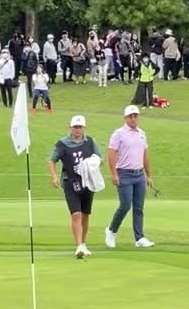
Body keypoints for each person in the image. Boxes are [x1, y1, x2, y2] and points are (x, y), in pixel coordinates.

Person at [48, 115, 103, 259]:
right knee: (76, 214)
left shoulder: (90, 142)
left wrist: (91, 164)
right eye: (75, 127)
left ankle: (83, 244)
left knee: (85, 214)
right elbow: (51, 160)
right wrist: (54, 176)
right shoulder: (62, 144)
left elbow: (99, 159)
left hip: (87, 182)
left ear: (84, 128)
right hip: (70, 182)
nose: (77, 130)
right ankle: (78, 245)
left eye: (80, 127)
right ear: (70, 128)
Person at [105, 105, 155, 249]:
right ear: (125, 118)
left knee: (139, 207)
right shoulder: (119, 133)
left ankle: (139, 238)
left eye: (135, 116)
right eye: (130, 116)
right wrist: (114, 173)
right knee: (125, 205)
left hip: (139, 174)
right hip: (124, 173)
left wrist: (148, 174)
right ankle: (111, 230)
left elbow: (145, 155)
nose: (133, 119)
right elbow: (111, 153)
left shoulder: (142, 133)